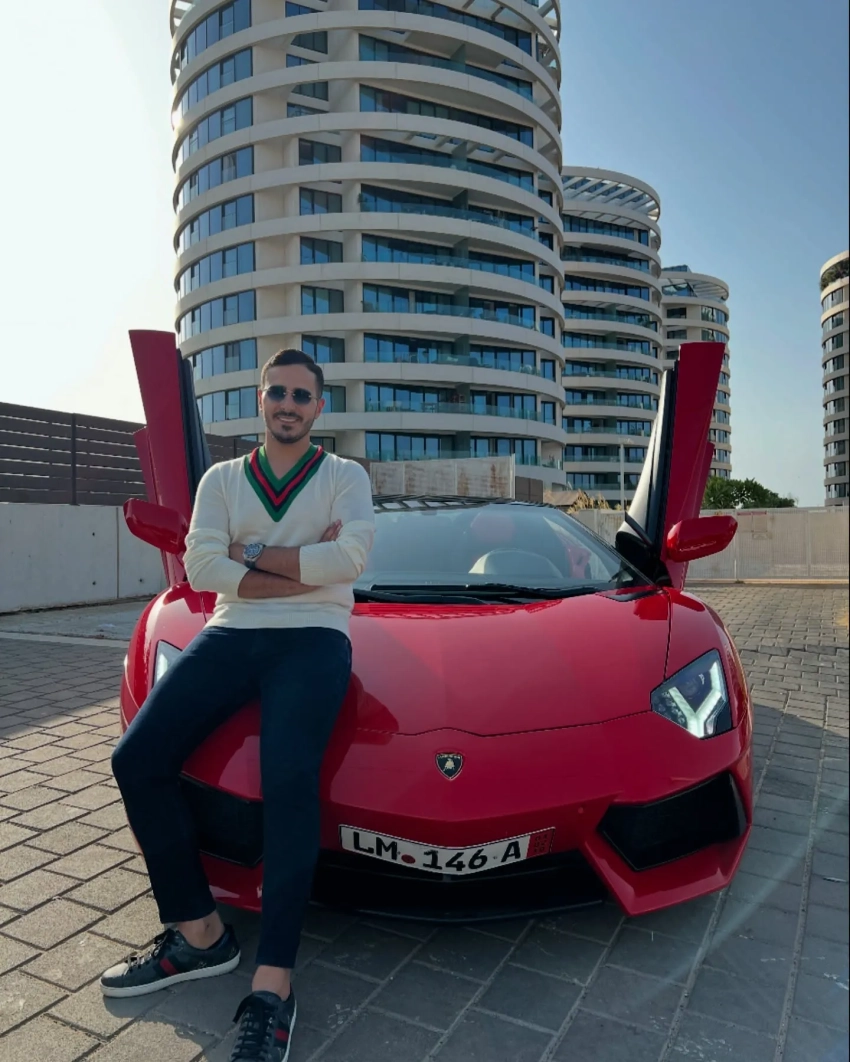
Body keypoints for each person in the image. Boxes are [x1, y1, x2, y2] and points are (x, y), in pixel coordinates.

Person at [100, 348, 375, 1062]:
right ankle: (200, 935)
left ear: (319, 407)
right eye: (277, 392)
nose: (288, 404)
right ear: (260, 400)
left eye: (302, 395)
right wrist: (302, 567)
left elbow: (350, 562)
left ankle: (273, 985)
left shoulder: (345, 476)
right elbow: (202, 566)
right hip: (232, 631)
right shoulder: (221, 479)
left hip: (316, 637)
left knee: (288, 782)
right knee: (136, 759)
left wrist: (248, 553)